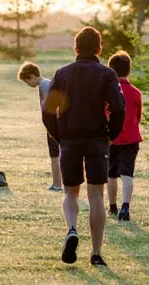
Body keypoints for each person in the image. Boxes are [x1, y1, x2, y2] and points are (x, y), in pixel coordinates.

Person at [44, 27, 125, 268]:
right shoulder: (107, 74)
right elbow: (119, 108)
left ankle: (71, 229)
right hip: (97, 139)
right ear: (99, 48)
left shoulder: (62, 73)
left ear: (76, 47)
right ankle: (96, 252)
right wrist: (112, 135)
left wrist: (60, 136)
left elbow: (48, 111)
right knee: (96, 195)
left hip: (69, 139)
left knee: (70, 192)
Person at [106, 51, 143, 222]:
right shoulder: (135, 92)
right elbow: (138, 116)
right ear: (128, 70)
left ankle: (112, 206)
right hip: (131, 138)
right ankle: (125, 207)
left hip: (111, 138)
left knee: (111, 174)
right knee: (127, 174)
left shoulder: (107, 93)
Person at [17, 62, 62, 191]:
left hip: (55, 126)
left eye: (27, 81)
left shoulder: (45, 85)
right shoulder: (44, 85)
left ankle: (58, 184)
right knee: (54, 154)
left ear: (32, 77)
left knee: (55, 154)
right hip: (51, 126)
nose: (28, 85)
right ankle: (57, 183)